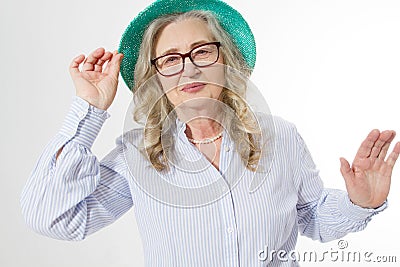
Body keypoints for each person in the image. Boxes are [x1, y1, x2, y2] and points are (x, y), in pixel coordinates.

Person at [20, 0, 400, 266]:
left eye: (202, 52)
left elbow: (314, 217)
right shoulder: (139, 154)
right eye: (170, 59)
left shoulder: (281, 137)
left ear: (227, 62)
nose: (189, 69)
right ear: (156, 79)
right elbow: (53, 219)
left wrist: (359, 203)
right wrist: (89, 109)